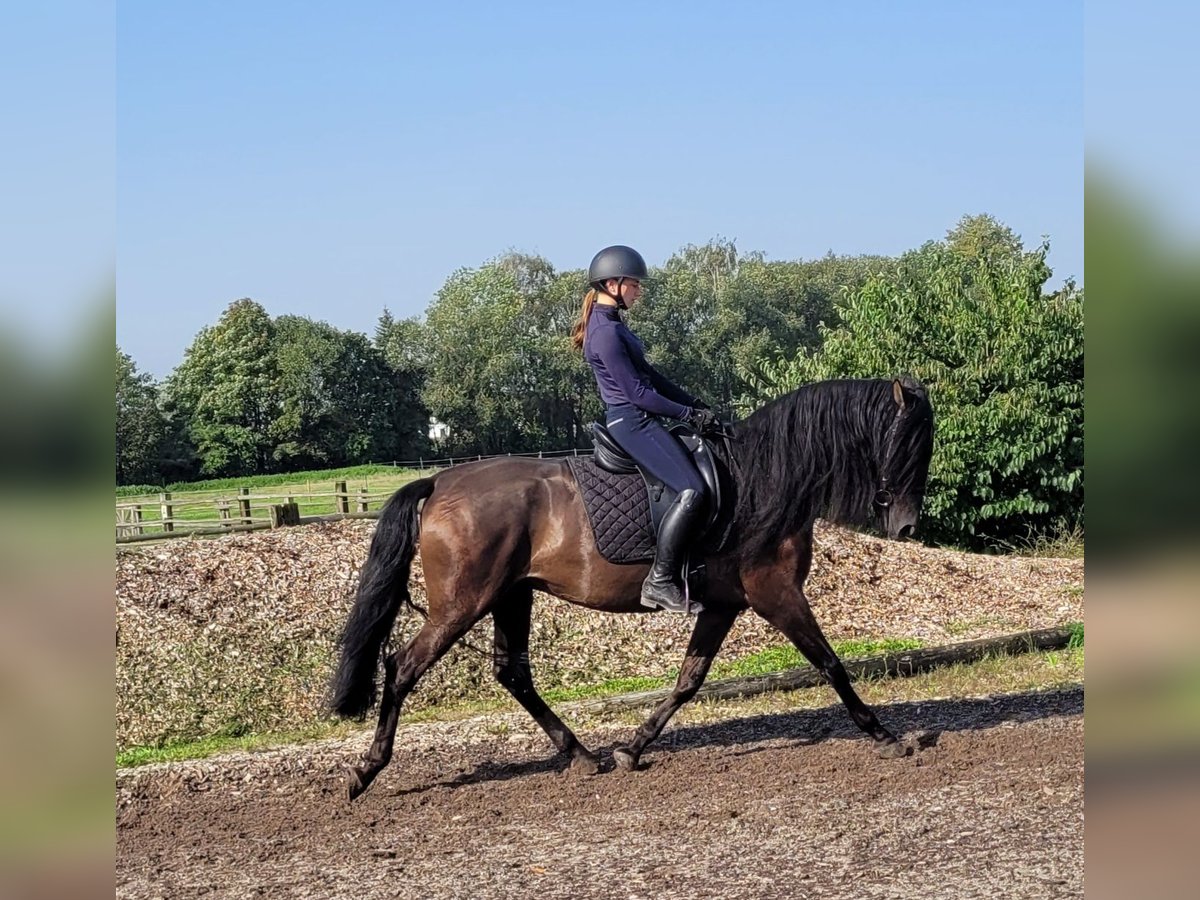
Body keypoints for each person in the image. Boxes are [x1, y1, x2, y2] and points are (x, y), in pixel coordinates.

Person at [571, 245, 719, 613]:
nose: (640, 291)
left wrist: (695, 404)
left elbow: (651, 376)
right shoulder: (604, 333)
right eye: (635, 284)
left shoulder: (613, 326)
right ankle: (661, 581)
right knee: (692, 490)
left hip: (639, 419)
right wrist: (687, 413)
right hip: (630, 422)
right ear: (613, 283)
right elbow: (638, 394)